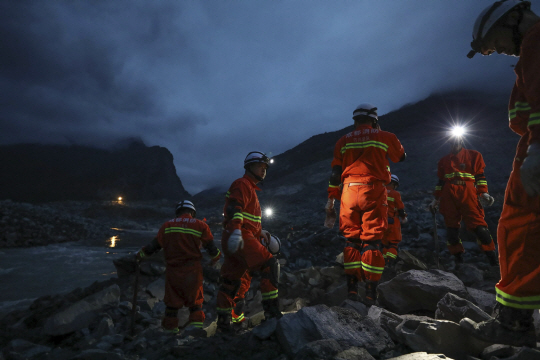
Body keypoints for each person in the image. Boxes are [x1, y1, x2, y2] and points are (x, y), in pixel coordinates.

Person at [459, 0, 540, 347]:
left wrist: (538, 149)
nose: (500, 52)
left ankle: (513, 326)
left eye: (496, 43)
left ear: (513, 18)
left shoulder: (536, 40)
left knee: (521, 230)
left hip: (535, 149)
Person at [325, 103, 406, 305]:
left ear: (355, 121)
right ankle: (370, 294)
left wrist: (331, 197)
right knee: (371, 242)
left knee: (351, 240)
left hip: (349, 191)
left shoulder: (343, 141)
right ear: (374, 119)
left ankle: (352, 291)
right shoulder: (385, 136)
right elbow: (401, 157)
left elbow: (335, 173)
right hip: (373, 190)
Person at [216, 151, 281, 333]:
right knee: (270, 263)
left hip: (235, 235)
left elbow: (246, 216)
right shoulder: (242, 184)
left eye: (265, 167)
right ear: (249, 167)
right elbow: (234, 208)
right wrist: (237, 230)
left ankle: (224, 324)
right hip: (240, 235)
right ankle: (272, 313)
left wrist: (260, 231)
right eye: (260, 166)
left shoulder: (249, 188)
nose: (264, 170)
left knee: (232, 280)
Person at [136, 200, 221, 333]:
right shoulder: (201, 225)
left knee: (172, 304)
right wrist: (215, 259)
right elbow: (211, 248)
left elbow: (153, 246)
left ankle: (170, 334)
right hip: (193, 271)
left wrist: (140, 255)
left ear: (177, 213)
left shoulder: (167, 225)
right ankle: (195, 334)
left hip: (173, 271)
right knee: (195, 303)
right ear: (192, 212)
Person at [428, 132, 498, 266]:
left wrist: (484, 193)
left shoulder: (474, 155)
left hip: (468, 191)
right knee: (451, 229)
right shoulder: (443, 161)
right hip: (449, 194)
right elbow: (441, 182)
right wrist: (435, 200)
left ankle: (492, 260)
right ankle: (458, 261)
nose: (455, 142)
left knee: (478, 225)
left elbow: (480, 176)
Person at [382, 174, 408, 268]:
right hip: (392, 222)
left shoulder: (380, 192)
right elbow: (400, 208)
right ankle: (390, 262)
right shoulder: (395, 194)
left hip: (380, 222)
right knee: (393, 244)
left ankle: (384, 262)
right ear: (394, 183)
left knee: (385, 244)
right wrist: (404, 217)